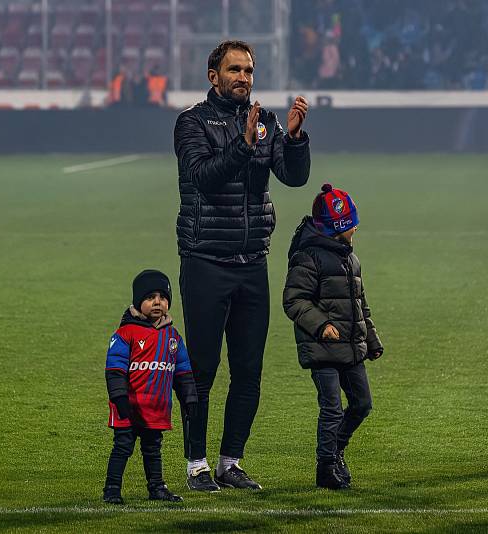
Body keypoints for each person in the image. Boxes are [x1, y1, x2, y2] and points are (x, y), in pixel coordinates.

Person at [173, 39, 311, 491]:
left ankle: (230, 462)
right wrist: (244, 145)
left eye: (249, 71)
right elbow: (206, 179)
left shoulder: (265, 121)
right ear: (213, 76)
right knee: (205, 369)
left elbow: (294, 177)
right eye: (234, 70)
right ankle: (196, 464)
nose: (243, 78)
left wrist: (293, 139)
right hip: (205, 261)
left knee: (249, 370)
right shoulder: (191, 123)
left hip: (252, 262)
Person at [282, 184, 383, 489]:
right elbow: (294, 300)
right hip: (322, 347)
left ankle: (336, 449)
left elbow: (359, 304)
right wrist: (321, 325)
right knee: (331, 407)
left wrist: (372, 340)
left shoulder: (350, 259)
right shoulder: (308, 257)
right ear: (338, 227)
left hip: (352, 347)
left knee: (362, 404)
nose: (355, 229)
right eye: (351, 224)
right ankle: (326, 467)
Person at [102, 270, 197, 505]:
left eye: (163, 297)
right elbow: (115, 370)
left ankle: (156, 487)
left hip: (156, 409)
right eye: (150, 297)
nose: (157, 302)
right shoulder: (126, 334)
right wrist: (119, 399)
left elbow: (183, 372)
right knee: (123, 447)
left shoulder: (173, 337)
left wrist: (190, 399)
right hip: (129, 407)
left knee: (153, 449)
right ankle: (112, 489)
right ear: (138, 302)